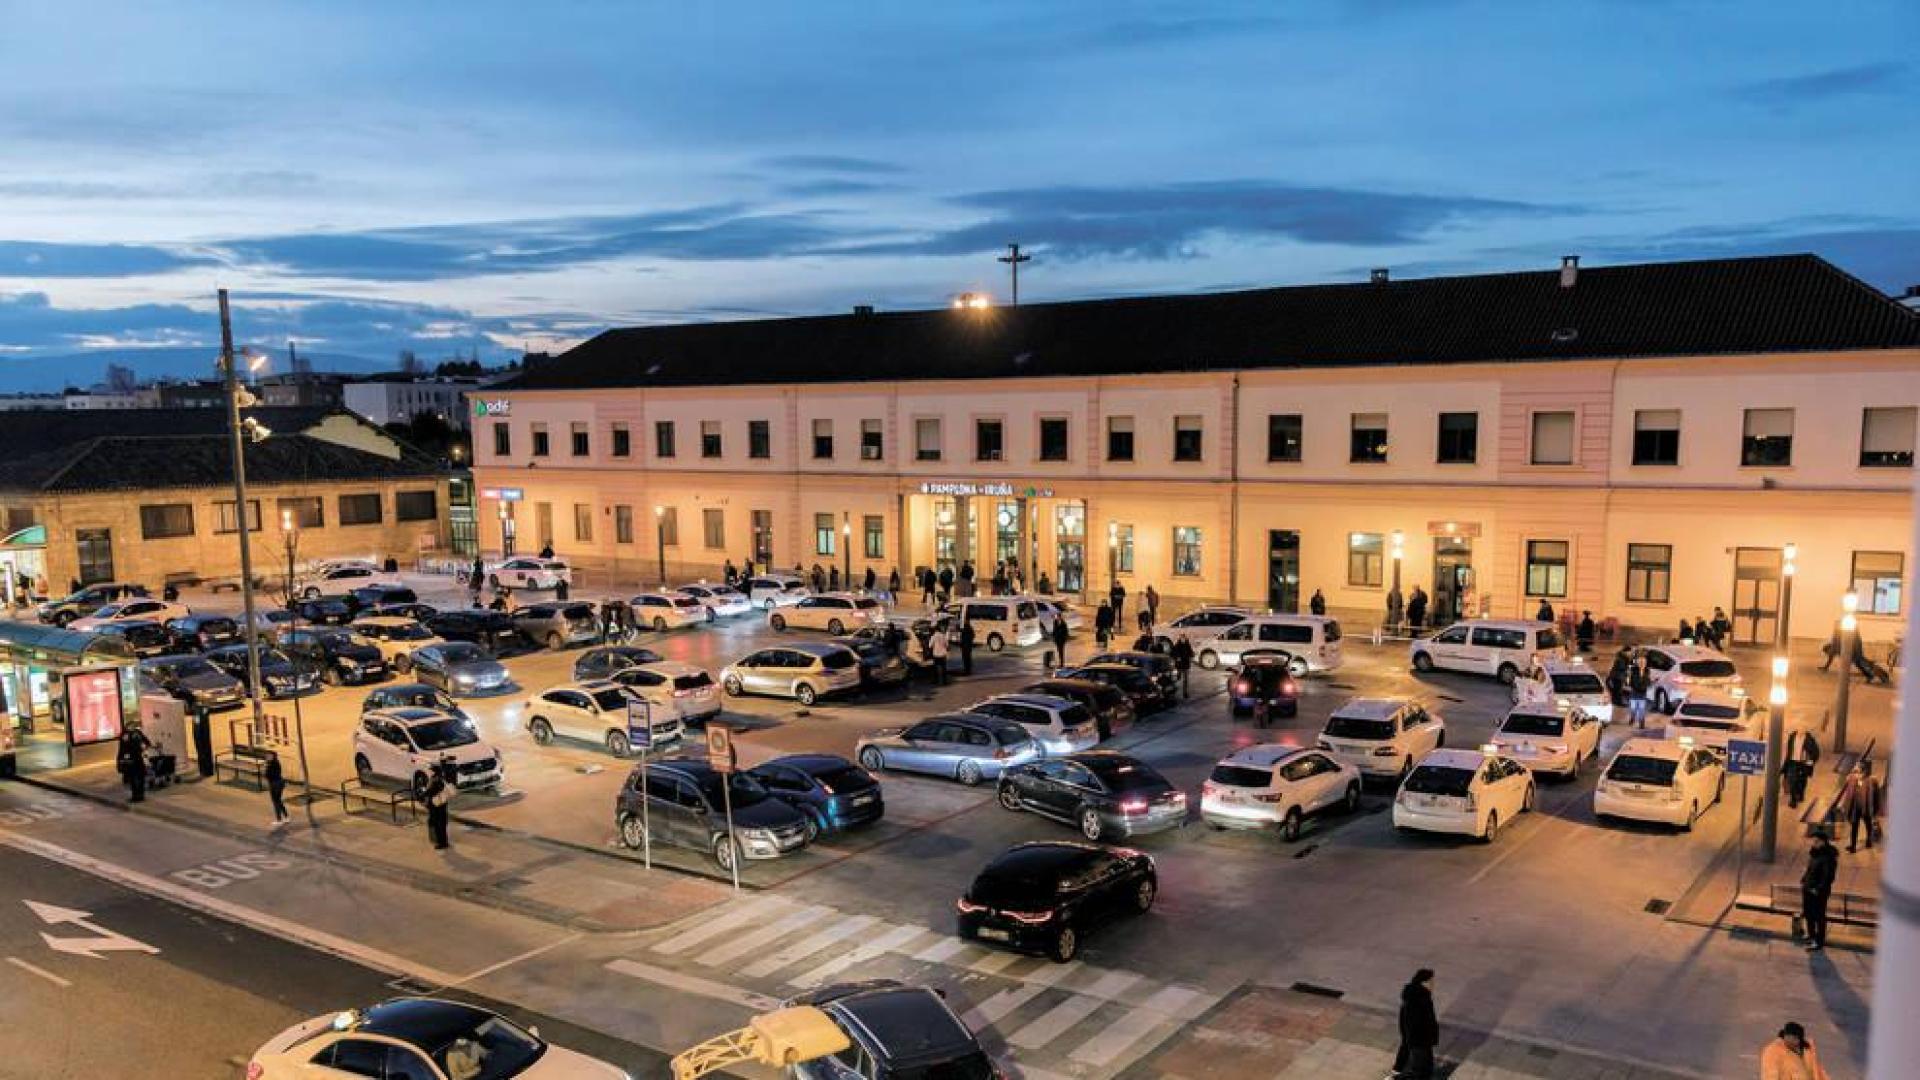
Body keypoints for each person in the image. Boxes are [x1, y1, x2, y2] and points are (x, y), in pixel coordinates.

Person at [1393, 968, 1439, 1079]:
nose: (1433, 984)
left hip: (1419, 1038)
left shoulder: (1415, 995)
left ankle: (1398, 1070)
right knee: (1421, 1067)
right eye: (1431, 981)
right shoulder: (1419, 999)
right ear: (1424, 982)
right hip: (1420, 1039)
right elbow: (1417, 1022)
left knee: (1423, 1064)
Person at [1835, 762, 1882, 852]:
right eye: (1855, 771)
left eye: (1857, 771)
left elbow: (1876, 796)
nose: (1855, 773)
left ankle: (1869, 840)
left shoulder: (1872, 780)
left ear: (1863, 772)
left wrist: (1876, 809)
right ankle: (1853, 846)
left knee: (1868, 824)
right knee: (1854, 826)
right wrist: (1843, 804)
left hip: (1866, 807)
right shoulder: (1852, 779)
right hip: (1855, 807)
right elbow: (1848, 793)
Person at [1801, 832, 1837, 950]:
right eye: (1813, 841)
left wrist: (1818, 889)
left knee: (1819, 916)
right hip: (1808, 888)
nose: (1813, 843)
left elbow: (1828, 877)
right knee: (1808, 913)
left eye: (1816, 841)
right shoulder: (1815, 854)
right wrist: (1804, 879)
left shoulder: (1828, 858)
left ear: (1823, 842)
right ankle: (1811, 935)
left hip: (1818, 892)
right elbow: (1810, 869)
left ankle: (1819, 940)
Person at [1760, 1021, 1830, 1080]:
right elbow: (1770, 1075)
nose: (1790, 1041)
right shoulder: (1773, 1051)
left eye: (1794, 1038)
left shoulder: (1807, 1051)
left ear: (1799, 1038)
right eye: (1788, 1037)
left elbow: (1818, 1073)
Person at [1782, 728, 1820, 809]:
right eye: (1799, 728)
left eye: (1803, 728)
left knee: (1802, 780)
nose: (1800, 730)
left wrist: (1811, 761)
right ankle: (1793, 800)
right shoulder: (1792, 737)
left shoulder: (1810, 739)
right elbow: (1789, 750)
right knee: (1792, 780)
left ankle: (1800, 793)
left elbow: (1816, 752)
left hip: (1803, 763)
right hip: (1792, 762)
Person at [117, 722, 153, 803]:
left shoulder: (125, 734)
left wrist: (121, 759)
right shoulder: (138, 733)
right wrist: (143, 749)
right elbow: (147, 742)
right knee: (140, 776)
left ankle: (135, 796)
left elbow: (122, 749)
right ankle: (141, 795)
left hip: (130, 759)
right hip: (138, 758)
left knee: (133, 778)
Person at [425, 763, 452, 850]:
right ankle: (444, 842)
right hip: (442, 804)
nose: (430, 771)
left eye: (431, 770)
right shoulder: (442, 778)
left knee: (438, 825)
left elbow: (429, 791)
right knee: (442, 825)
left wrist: (423, 793)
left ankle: (441, 843)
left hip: (436, 805)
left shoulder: (435, 780)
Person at [1626, 653, 1652, 729]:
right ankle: (1633, 717)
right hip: (1635, 693)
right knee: (1633, 708)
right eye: (1640, 662)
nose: (1642, 664)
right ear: (1637, 663)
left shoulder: (1647, 671)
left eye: (1644, 662)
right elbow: (1631, 682)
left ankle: (1641, 723)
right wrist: (1637, 686)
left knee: (1641, 709)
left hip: (1643, 693)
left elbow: (1647, 680)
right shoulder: (1633, 670)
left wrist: (1648, 683)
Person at [264, 750, 289, 827]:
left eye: (269, 756)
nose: (267, 757)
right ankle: (286, 817)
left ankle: (279, 819)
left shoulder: (272, 764)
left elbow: (269, 775)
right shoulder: (274, 763)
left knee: (276, 802)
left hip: (275, 784)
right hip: (278, 783)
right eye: (267, 755)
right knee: (278, 801)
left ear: (273, 756)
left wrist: (265, 770)